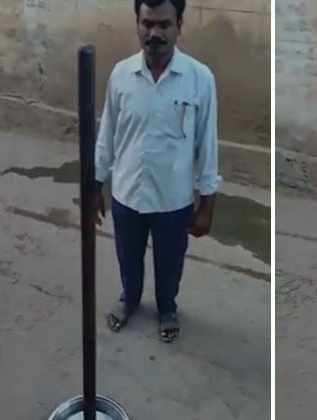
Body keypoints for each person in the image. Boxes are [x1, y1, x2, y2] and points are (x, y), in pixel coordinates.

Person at [94, 0, 221, 343]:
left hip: (173, 198)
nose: (155, 33)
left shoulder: (199, 79)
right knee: (127, 257)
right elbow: (107, 134)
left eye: (164, 25)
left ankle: (167, 308)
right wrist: (95, 184)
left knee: (170, 263)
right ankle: (130, 299)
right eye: (147, 24)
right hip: (127, 193)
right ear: (137, 24)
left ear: (179, 24)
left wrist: (207, 205)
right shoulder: (121, 75)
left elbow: (207, 145)